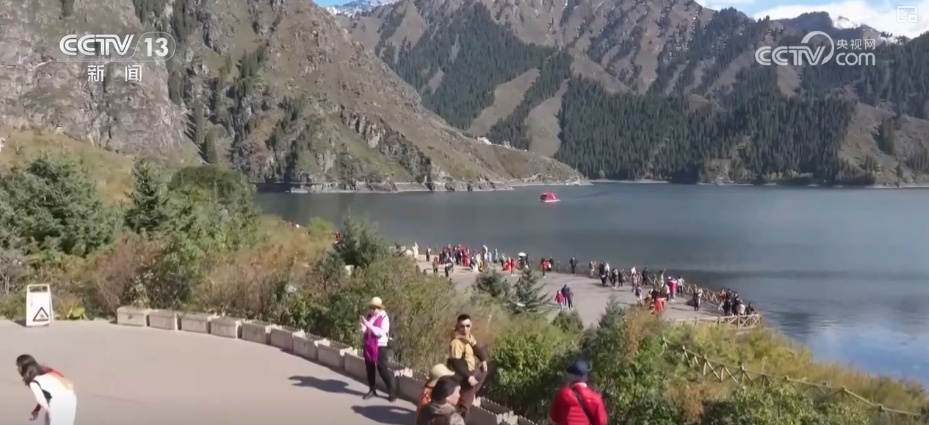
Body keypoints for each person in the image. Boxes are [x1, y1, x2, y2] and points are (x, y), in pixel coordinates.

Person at [17, 355, 77, 425]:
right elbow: (47, 394)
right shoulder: (48, 372)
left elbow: (43, 400)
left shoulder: (34, 383)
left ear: (22, 368)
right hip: (71, 399)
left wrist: (53, 413)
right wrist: (37, 410)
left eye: (18, 367)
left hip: (59, 405)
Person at [448, 314, 487, 418]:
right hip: (462, 373)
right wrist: (468, 376)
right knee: (466, 403)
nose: (465, 329)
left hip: (471, 370)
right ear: (457, 326)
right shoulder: (456, 342)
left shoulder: (469, 336)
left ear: (471, 325)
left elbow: (475, 347)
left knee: (483, 371)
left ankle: (472, 392)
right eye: (462, 326)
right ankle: (462, 411)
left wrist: (483, 360)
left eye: (467, 326)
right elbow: (456, 362)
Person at [549, 360, 607, 425]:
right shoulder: (596, 399)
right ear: (586, 378)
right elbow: (601, 422)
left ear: (573, 377)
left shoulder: (563, 394)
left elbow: (555, 417)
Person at [359, 297, 396, 401]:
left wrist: (369, 326)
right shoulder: (369, 317)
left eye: (374, 308)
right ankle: (372, 390)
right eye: (371, 308)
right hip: (369, 345)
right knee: (370, 368)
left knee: (382, 370)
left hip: (380, 346)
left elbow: (380, 332)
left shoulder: (384, 318)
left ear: (379, 308)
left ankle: (391, 392)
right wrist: (363, 328)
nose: (372, 310)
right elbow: (366, 330)